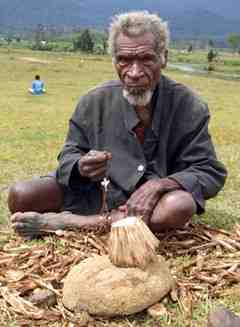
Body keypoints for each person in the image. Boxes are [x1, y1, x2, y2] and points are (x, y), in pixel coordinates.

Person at [9, 11, 227, 238]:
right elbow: (68, 154)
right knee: (21, 195)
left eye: (146, 59)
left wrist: (160, 185)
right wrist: (80, 165)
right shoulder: (93, 101)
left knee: (178, 207)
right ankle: (101, 220)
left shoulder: (189, 105)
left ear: (163, 58)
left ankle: (71, 223)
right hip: (96, 194)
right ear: (114, 61)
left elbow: (209, 171)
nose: (134, 72)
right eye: (124, 60)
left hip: (156, 204)